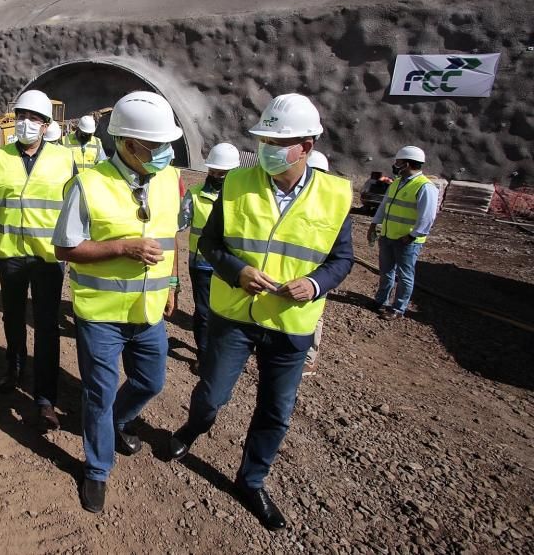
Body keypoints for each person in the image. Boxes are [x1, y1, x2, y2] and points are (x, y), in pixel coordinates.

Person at [168, 94, 353, 531]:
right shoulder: (236, 184)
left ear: (307, 145)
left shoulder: (336, 194)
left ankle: (251, 481)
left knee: (275, 411)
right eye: (264, 138)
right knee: (212, 395)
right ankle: (193, 429)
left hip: (290, 326)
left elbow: (342, 260)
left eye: (278, 140)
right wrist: (237, 271)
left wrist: (315, 284)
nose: (267, 147)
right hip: (235, 315)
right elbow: (210, 245)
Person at [54, 91, 182, 513]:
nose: (166, 153)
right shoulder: (88, 184)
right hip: (102, 316)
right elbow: (65, 249)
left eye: (168, 145)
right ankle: (97, 468)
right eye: (157, 146)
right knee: (99, 393)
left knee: (151, 382)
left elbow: (170, 239)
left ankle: (114, 425)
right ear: (128, 145)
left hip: (148, 313)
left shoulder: (166, 180)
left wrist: (172, 285)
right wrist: (122, 248)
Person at [0, 90, 76, 431]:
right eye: (21, 116)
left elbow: (77, 210)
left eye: (34, 118)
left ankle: (45, 398)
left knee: (46, 326)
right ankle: (13, 367)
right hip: (10, 256)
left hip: (48, 259)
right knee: (13, 316)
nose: (26, 123)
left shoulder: (64, 159)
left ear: (46, 125)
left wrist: (75, 250)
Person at [179, 142, 240, 370]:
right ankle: (204, 357)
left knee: (228, 314)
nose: (215, 176)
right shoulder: (194, 195)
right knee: (204, 313)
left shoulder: (242, 198)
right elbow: (179, 224)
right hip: (201, 266)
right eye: (212, 172)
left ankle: (225, 354)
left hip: (231, 267)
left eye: (221, 174)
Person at [369, 145, 437, 321]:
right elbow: (385, 205)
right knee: (386, 271)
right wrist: (374, 223)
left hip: (407, 240)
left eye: (398, 162)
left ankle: (398, 308)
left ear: (406, 164)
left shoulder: (425, 187)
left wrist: (412, 235)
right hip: (388, 235)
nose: (395, 165)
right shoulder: (398, 183)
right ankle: (381, 300)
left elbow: (428, 217)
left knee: (405, 276)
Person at [303, 149, 330, 376]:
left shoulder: (331, 204)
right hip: (292, 270)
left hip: (316, 274)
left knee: (315, 316)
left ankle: (309, 358)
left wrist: (318, 281)